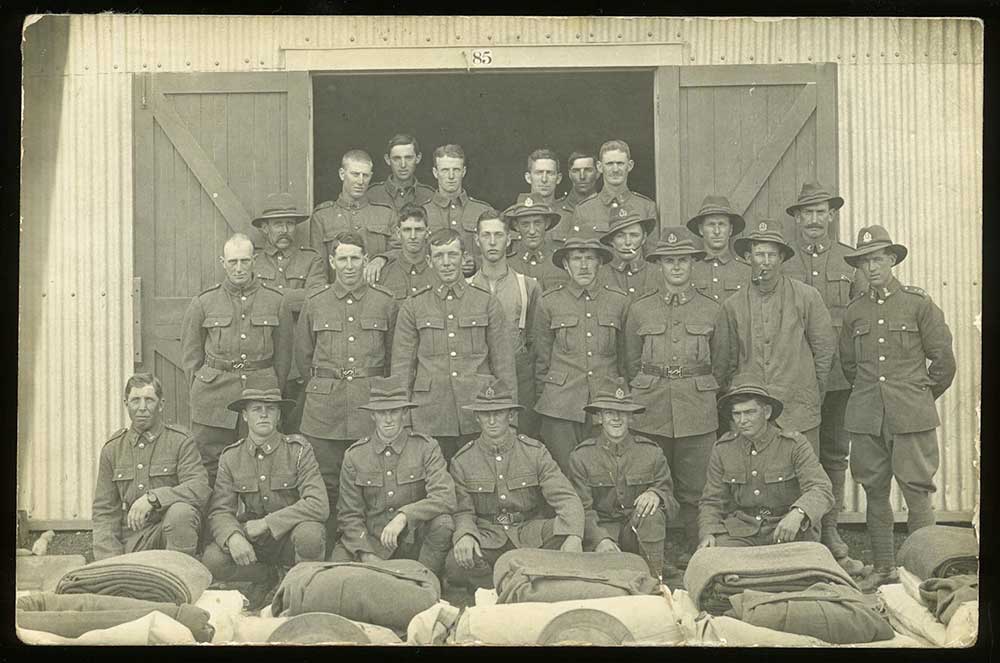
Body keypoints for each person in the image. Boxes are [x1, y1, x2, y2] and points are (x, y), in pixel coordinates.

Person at [839, 226, 956, 592]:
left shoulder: (918, 304)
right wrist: (874, 395)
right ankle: (884, 566)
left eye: (877, 258)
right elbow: (849, 365)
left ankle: (927, 571)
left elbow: (943, 363)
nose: (871, 267)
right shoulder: (855, 311)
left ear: (891, 259)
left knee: (916, 491)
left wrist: (918, 397)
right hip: (867, 415)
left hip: (910, 416)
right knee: (874, 490)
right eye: (864, 261)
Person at [782, 182, 867, 571]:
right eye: (807, 213)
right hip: (794, 379)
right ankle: (800, 532)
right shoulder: (783, 265)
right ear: (797, 219)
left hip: (837, 379)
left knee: (834, 454)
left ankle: (829, 529)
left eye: (821, 213)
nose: (814, 221)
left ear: (831, 216)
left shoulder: (850, 262)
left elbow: (862, 318)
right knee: (796, 454)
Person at [295, 231, 398, 551]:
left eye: (356, 258)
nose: (350, 265)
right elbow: (303, 358)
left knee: (370, 480)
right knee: (324, 484)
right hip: (324, 410)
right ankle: (321, 553)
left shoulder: (385, 302)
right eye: (343, 258)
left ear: (365, 260)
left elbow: (395, 356)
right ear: (331, 261)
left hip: (369, 407)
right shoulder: (315, 302)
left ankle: (364, 550)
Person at [624, 228, 721, 560]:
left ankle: (698, 554)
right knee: (652, 482)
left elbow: (723, 362)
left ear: (693, 263)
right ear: (659, 265)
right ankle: (656, 554)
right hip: (651, 409)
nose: (676, 267)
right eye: (669, 261)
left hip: (697, 408)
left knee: (697, 487)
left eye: (683, 260)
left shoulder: (711, 309)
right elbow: (630, 361)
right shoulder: (640, 310)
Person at [445, 379, 585, 590]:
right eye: (486, 414)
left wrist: (574, 535)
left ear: (510, 415)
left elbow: (565, 497)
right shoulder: (463, 460)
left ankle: (505, 583)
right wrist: (465, 535)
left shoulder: (534, 452)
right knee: (455, 564)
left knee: (567, 537)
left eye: (498, 413)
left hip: (530, 531)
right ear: (477, 418)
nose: (492, 420)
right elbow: (463, 511)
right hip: (489, 535)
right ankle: (514, 585)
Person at [391, 229, 516, 462]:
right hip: (430, 415)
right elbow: (402, 369)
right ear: (429, 261)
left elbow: (504, 365)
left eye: (452, 255)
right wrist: (403, 419)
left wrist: (509, 418)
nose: (446, 263)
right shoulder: (413, 306)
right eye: (439, 256)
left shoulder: (486, 302)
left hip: (478, 411)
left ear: (464, 257)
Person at [712, 219, 836, 450]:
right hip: (749, 413)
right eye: (759, 255)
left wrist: (810, 394)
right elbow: (725, 363)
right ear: (748, 258)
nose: (765, 262)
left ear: (781, 259)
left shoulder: (807, 297)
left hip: (798, 412)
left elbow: (824, 351)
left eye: (771, 255)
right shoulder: (732, 305)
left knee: (802, 475)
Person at [180, 233, 293, 486]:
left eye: (244, 261)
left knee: (261, 461)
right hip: (213, 395)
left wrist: (271, 389)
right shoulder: (203, 302)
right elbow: (191, 357)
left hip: (260, 393)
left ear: (255, 261)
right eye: (233, 262)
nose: (239, 268)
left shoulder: (276, 301)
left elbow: (284, 357)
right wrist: (202, 389)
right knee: (209, 464)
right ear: (223, 263)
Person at [331, 377, 456, 577]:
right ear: (373, 415)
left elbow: (445, 497)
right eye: (382, 412)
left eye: (394, 411)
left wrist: (404, 516)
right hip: (370, 541)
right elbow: (349, 515)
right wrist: (367, 555)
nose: (388, 419)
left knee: (444, 523)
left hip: (412, 539)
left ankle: (425, 578)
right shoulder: (355, 455)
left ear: (404, 413)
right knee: (334, 578)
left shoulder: (425, 447)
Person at [202, 388, 329, 584]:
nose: (263, 414)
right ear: (245, 416)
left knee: (310, 534)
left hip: (290, 535)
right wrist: (233, 537)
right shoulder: (231, 457)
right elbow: (220, 511)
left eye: (270, 409)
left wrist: (267, 523)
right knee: (213, 560)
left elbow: (318, 504)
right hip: (254, 541)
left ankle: (300, 589)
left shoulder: (298, 451)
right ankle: (268, 580)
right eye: (256, 409)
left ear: (278, 415)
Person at [533, 223, 628, 473]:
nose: (583, 265)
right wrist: (550, 398)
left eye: (589, 258)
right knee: (565, 474)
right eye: (577, 258)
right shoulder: (548, 302)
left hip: (604, 402)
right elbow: (541, 361)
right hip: (560, 406)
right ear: (566, 264)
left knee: (603, 472)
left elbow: (626, 360)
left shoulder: (618, 301)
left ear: (599, 263)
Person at [698, 379, 834, 549]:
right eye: (737, 414)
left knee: (805, 567)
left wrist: (798, 513)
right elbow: (712, 500)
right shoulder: (723, 449)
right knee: (712, 559)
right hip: (742, 532)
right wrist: (708, 532)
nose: (742, 420)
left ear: (767, 412)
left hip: (788, 528)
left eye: (749, 412)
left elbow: (821, 489)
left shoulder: (794, 444)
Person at [567, 378, 679, 578]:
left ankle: (655, 577)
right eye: (610, 413)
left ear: (631, 418)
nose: (616, 419)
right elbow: (581, 509)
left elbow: (671, 501)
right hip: (602, 534)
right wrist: (600, 539)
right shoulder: (581, 456)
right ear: (599, 417)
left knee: (652, 514)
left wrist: (657, 494)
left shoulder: (651, 452)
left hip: (638, 532)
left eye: (623, 413)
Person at [92, 373, 209, 560]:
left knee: (181, 513)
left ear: (161, 404)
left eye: (149, 400)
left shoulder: (180, 441)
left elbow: (199, 488)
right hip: (133, 541)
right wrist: (110, 561)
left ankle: (178, 578)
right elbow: (104, 512)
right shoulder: (113, 449)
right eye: (135, 400)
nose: (142, 408)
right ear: (126, 403)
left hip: (169, 536)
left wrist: (153, 499)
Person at [251, 192, 328, 433]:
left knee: (297, 428)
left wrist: (267, 295)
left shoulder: (311, 260)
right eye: (278, 224)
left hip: (298, 361)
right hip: (262, 359)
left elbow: (315, 300)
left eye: (290, 224)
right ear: (265, 228)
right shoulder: (252, 262)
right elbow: (248, 302)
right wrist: (292, 297)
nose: (285, 230)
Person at [468, 209, 543, 438]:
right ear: (476, 239)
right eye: (486, 235)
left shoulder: (528, 286)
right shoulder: (466, 287)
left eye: (498, 235)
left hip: (519, 380)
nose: (492, 242)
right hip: (477, 379)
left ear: (509, 238)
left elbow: (536, 342)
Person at [308, 149, 397, 285]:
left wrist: (382, 258)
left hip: (376, 296)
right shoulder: (323, 217)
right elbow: (318, 268)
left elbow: (400, 252)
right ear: (342, 174)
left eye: (365, 175)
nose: (361, 181)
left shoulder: (385, 214)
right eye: (355, 174)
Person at [421, 144, 492, 276]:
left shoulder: (483, 211)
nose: (451, 176)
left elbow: (497, 251)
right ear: (435, 173)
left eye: (456, 170)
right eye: (445, 170)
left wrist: (476, 263)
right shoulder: (422, 212)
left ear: (464, 172)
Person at [573, 139, 658, 239]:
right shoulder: (584, 211)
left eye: (620, 163)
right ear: (600, 167)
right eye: (609, 164)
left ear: (630, 166)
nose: (615, 169)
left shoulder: (646, 208)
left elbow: (651, 251)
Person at [686, 194, 751, 303]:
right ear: (701, 230)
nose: (717, 231)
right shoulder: (688, 270)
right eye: (711, 225)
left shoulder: (747, 271)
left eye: (722, 224)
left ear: (730, 230)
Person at [504, 199, 568, 292]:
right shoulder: (507, 265)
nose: (532, 231)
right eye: (525, 224)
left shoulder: (561, 263)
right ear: (516, 226)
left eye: (537, 223)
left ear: (547, 223)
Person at [377, 204, 436, 300]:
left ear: (427, 232)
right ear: (398, 233)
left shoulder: (438, 271)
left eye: (418, 230)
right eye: (407, 230)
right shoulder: (383, 273)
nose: (413, 236)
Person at [599, 207, 658, 300]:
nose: (627, 242)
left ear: (644, 238)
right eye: (620, 236)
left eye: (634, 235)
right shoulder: (599, 275)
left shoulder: (659, 273)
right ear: (611, 240)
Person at [368, 134, 436, 213]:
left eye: (408, 158)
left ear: (418, 158)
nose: (403, 165)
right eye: (397, 158)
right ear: (387, 159)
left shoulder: (430, 196)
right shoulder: (372, 194)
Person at [549, 149, 601, 245]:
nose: (582, 176)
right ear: (569, 174)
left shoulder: (608, 210)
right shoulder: (554, 211)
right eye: (576, 171)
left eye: (588, 170)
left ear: (598, 173)